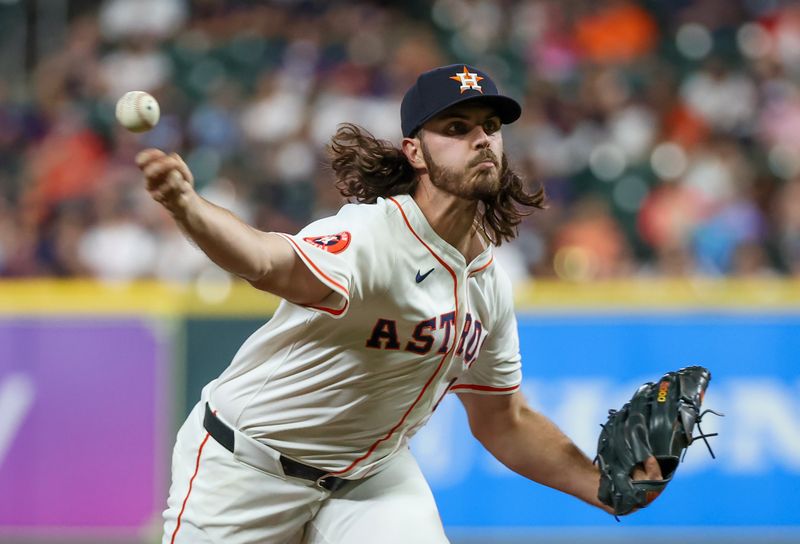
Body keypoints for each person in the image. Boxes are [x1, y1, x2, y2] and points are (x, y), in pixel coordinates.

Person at [137, 64, 662, 544]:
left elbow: (506, 420)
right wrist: (189, 208)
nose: (481, 139)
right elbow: (266, 261)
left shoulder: (488, 285)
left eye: (490, 128)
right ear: (415, 152)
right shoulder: (373, 236)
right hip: (245, 468)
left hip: (369, 479)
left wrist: (605, 487)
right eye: (457, 129)